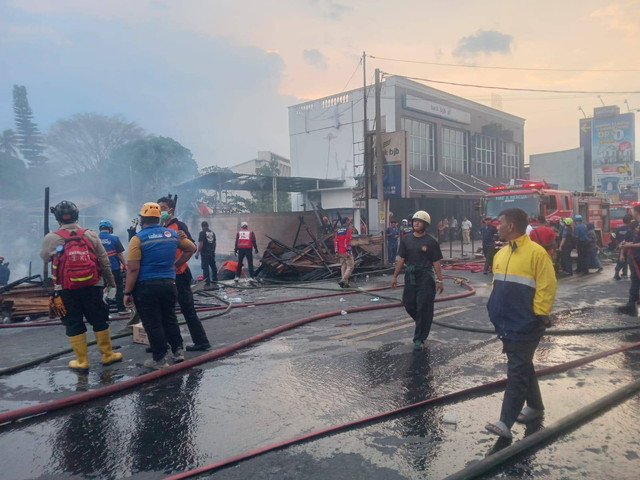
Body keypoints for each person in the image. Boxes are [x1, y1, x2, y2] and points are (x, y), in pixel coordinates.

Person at [485, 208, 557, 439]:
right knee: (523, 364)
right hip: (506, 323)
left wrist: (540, 315)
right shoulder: (501, 254)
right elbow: (498, 288)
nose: (497, 226)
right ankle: (535, 407)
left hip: (526, 323)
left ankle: (505, 422)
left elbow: (547, 286)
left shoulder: (537, 254)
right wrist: (493, 310)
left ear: (511, 226)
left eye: (500, 223)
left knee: (516, 370)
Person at [40, 200, 121, 372]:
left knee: (73, 322)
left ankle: (82, 361)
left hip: (65, 289)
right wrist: (111, 282)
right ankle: (107, 355)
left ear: (58, 218)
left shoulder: (51, 237)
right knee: (99, 318)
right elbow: (104, 261)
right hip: (93, 285)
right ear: (77, 215)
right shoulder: (90, 234)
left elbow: (45, 258)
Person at [123, 202, 196, 369]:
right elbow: (191, 248)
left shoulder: (137, 239)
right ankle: (178, 352)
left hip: (146, 287)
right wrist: (176, 265)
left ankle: (160, 359)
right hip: (169, 284)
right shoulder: (172, 234)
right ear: (158, 218)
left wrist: (127, 292)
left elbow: (133, 268)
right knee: (170, 318)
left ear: (142, 220)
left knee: (153, 322)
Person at [157, 196, 211, 351]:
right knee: (165, 310)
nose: (160, 211)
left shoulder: (179, 226)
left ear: (171, 210)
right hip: (167, 275)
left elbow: (191, 246)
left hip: (179, 274)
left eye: (162, 208)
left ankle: (201, 341)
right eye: (158, 207)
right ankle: (168, 342)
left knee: (187, 309)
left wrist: (175, 265)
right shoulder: (161, 227)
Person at [391, 210, 444, 351]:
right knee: (408, 304)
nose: (416, 223)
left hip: (426, 277)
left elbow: (436, 262)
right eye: (414, 221)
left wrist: (440, 280)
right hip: (410, 276)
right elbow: (401, 259)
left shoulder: (431, 242)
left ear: (425, 224)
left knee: (422, 307)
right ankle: (423, 323)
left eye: (419, 222)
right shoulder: (406, 240)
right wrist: (395, 276)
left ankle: (419, 338)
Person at [98, 219, 127, 314]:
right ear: (110, 228)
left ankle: (103, 310)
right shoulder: (115, 238)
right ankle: (121, 309)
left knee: (101, 288)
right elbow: (120, 254)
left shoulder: (95, 239)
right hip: (114, 268)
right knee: (118, 287)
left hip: (100, 269)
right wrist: (125, 265)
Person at [618, 205, 640, 315]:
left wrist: (628, 245)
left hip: (637, 257)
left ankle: (632, 304)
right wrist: (627, 244)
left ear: (636, 212)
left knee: (636, 279)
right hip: (635, 256)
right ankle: (632, 302)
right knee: (635, 279)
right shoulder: (636, 226)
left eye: (632, 211)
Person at [195, 221, 217, 288]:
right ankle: (215, 280)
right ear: (208, 225)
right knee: (213, 267)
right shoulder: (212, 233)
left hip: (204, 253)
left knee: (205, 268)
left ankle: (207, 283)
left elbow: (201, 243)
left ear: (202, 226)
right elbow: (215, 243)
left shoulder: (202, 233)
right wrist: (213, 250)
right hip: (211, 252)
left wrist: (197, 253)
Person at [334, 219, 354, 288]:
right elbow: (347, 240)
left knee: (343, 266)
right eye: (349, 221)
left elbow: (336, 241)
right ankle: (343, 281)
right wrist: (347, 250)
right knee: (350, 267)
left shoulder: (338, 230)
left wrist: (336, 251)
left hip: (340, 251)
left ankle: (345, 284)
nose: (349, 222)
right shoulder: (348, 230)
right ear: (346, 222)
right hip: (346, 251)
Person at [614, 214, 633, 280]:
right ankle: (629, 274)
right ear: (630, 221)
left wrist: (617, 246)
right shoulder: (631, 229)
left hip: (621, 246)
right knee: (630, 261)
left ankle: (620, 273)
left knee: (621, 260)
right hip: (629, 247)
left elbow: (616, 239)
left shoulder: (619, 228)